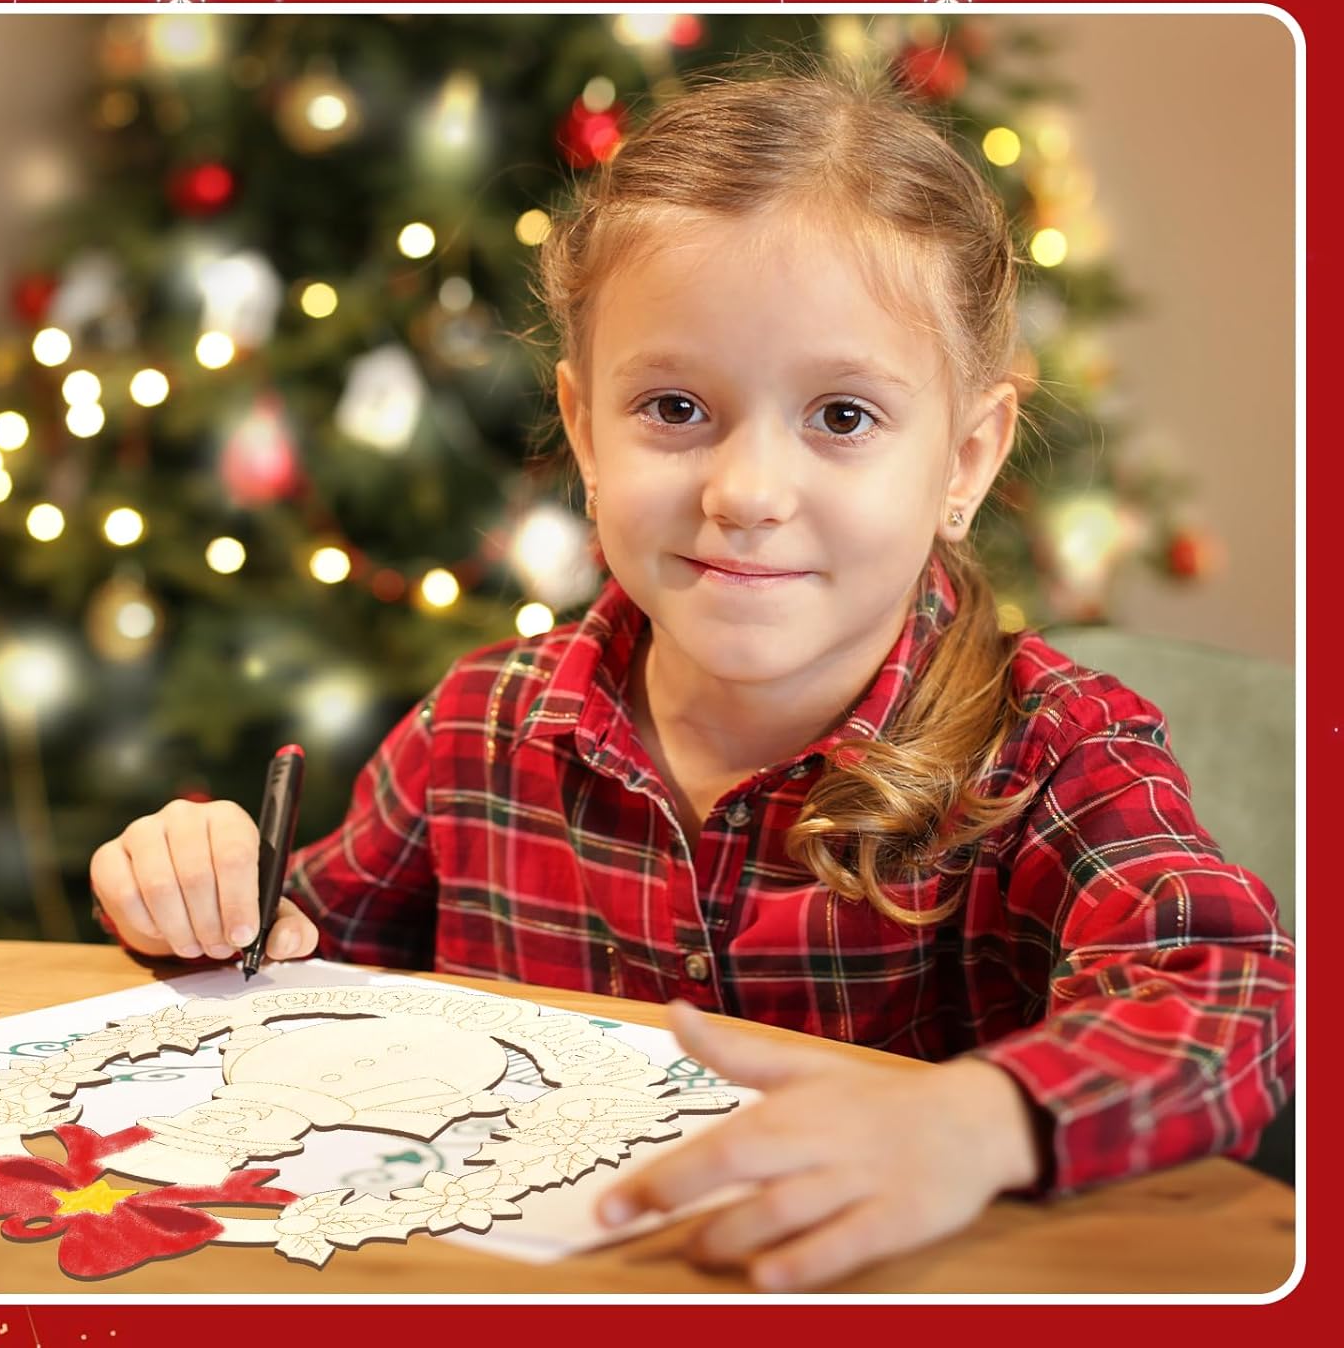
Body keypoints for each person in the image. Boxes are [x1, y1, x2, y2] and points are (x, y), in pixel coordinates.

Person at [90, 67, 1295, 1290]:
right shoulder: (481, 727)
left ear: (966, 459)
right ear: (585, 434)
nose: (747, 494)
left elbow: (1237, 1002)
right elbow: (291, 960)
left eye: (841, 416)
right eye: (674, 407)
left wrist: (978, 1124)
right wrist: (205, 895)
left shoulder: (1052, 752)